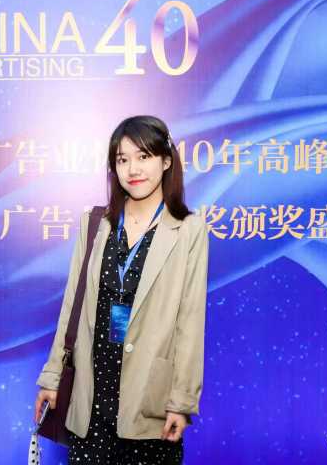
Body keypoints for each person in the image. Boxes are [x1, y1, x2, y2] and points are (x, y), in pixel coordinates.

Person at [34, 115, 209, 464]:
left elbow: (190, 322)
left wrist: (182, 401)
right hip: (90, 400)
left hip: (149, 404)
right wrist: (52, 377)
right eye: (122, 159)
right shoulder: (95, 223)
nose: (133, 169)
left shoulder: (189, 229)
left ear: (166, 160)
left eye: (143, 156)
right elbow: (71, 306)